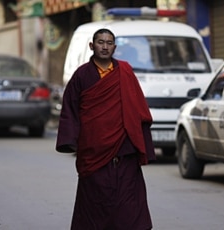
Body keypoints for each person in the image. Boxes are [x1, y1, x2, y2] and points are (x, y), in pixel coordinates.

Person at [56, 28, 156, 230]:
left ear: (115, 47)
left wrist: (144, 144)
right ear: (92, 46)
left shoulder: (125, 72)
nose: (105, 46)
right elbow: (70, 109)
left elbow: (138, 109)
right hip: (94, 150)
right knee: (94, 202)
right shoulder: (82, 75)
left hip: (125, 148)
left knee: (129, 201)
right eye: (100, 42)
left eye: (109, 43)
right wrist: (70, 140)